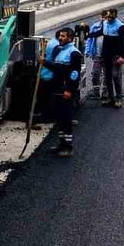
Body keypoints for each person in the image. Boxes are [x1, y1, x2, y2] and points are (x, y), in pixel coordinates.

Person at [40, 26, 83, 157]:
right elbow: (57, 69)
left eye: (63, 36)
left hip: (66, 90)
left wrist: (69, 90)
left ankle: (68, 147)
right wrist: (45, 63)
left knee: (66, 118)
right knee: (59, 118)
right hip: (57, 89)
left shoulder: (74, 53)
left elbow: (74, 74)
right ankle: (61, 143)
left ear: (70, 38)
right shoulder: (58, 50)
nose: (60, 38)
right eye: (60, 36)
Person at [91, 7, 124, 108]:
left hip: (115, 55)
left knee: (115, 76)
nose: (108, 19)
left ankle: (118, 97)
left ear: (116, 16)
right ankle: (110, 98)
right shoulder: (105, 23)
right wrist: (89, 35)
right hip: (105, 54)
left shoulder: (121, 26)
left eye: (111, 17)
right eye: (107, 17)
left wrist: (122, 56)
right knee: (107, 77)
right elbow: (100, 32)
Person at [84, 11, 108, 98]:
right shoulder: (95, 27)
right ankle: (96, 91)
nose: (105, 19)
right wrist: (87, 51)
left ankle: (106, 92)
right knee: (95, 73)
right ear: (100, 17)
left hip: (108, 56)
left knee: (107, 74)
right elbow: (89, 40)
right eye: (103, 17)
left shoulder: (113, 28)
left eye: (106, 17)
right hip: (97, 54)